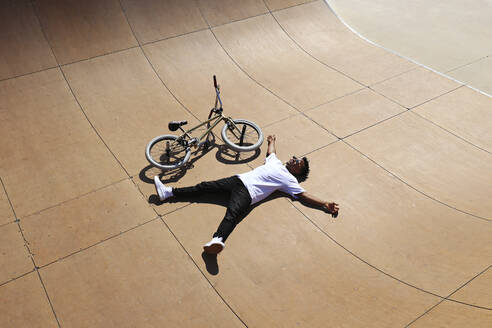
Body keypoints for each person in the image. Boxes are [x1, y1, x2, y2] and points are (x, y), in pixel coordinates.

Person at [154, 135, 339, 254]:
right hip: (237, 180)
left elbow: (304, 196)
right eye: (296, 157)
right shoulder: (275, 163)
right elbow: (270, 153)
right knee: (204, 187)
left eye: (298, 162)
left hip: (248, 193)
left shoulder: (290, 181)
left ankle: (217, 240)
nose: (295, 159)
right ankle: (168, 192)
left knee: (232, 215)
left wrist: (324, 204)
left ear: (298, 171)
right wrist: (272, 142)